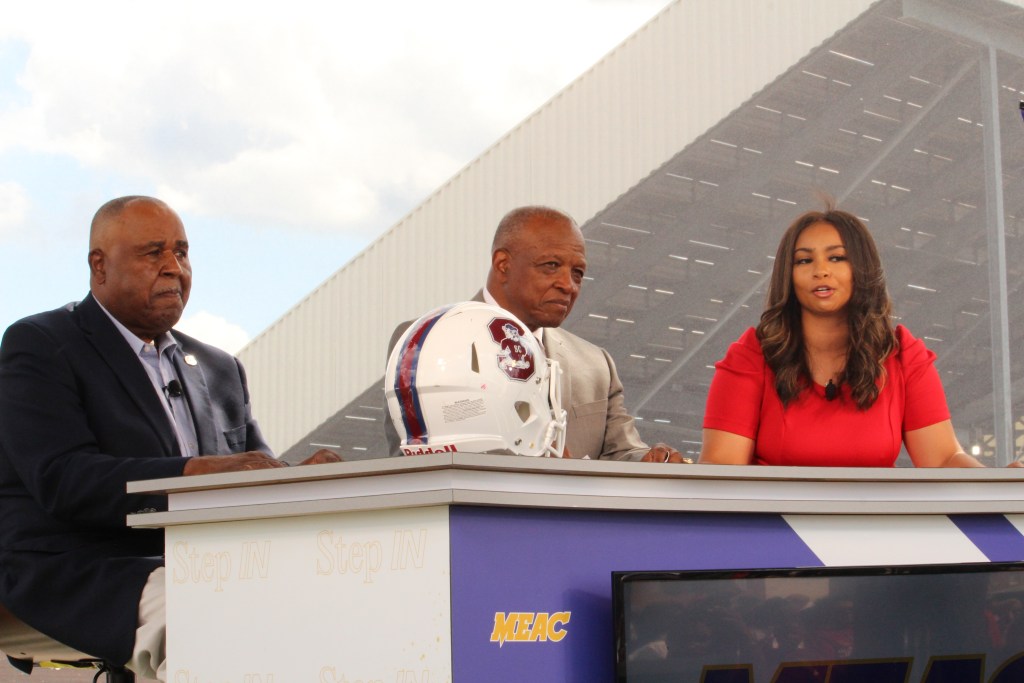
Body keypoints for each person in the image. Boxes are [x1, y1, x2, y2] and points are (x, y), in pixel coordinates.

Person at [0, 196, 339, 680]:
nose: (173, 268)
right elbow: (62, 479)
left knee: (335, 609)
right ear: (99, 266)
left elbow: (252, 474)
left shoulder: (220, 368)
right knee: (221, 627)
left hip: (212, 564)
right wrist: (194, 474)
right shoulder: (42, 344)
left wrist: (299, 482)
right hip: (87, 565)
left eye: (182, 252)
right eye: (152, 253)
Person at [387, 205, 687, 463]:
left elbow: (622, 453)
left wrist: (649, 462)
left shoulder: (596, 364)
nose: (568, 285)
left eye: (577, 273)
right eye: (551, 266)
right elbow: (414, 454)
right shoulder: (426, 341)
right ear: (502, 264)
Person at [699, 205, 984, 467]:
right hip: (777, 522)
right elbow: (723, 471)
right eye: (804, 260)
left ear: (861, 269)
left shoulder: (903, 355)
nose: (821, 271)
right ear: (789, 275)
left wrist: (1003, 484)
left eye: (837, 258)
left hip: (873, 521)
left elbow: (945, 459)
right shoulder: (751, 356)